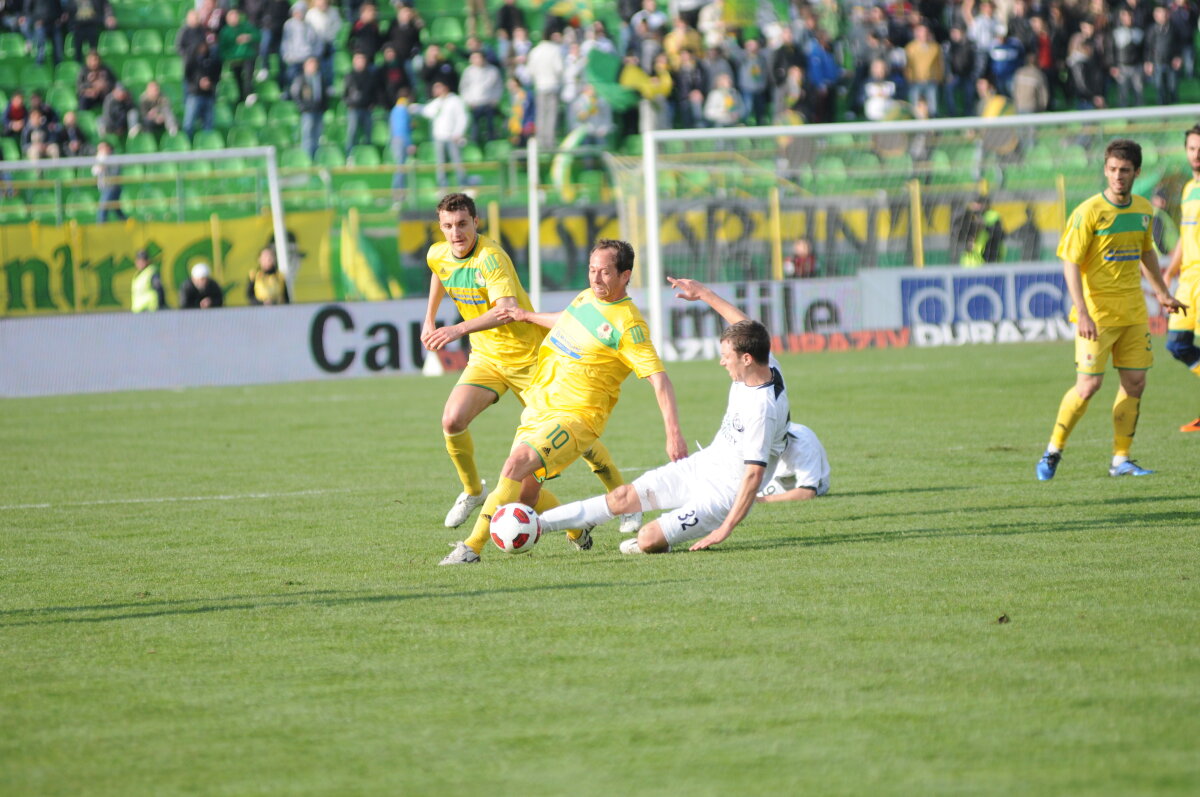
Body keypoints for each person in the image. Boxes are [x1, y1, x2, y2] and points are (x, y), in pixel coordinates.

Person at [436, 240, 687, 565]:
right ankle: (576, 531)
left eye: (606, 272)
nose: (596, 279)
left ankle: (471, 548)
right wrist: (526, 315)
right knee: (526, 494)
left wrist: (674, 433)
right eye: (592, 270)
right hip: (539, 408)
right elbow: (567, 320)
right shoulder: (586, 296)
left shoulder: (629, 325)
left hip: (575, 417)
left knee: (513, 466)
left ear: (625, 275)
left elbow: (659, 378)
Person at [422, 194, 644, 538]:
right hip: (486, 358)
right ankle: (472, 491)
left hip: (529, 359)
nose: (456, 233)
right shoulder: (438, 252)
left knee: (574, 440)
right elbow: (440, 270)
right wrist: (430, 320)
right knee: (452, 420)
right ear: (441, 227)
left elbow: (504, 309)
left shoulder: (490, 259)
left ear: (476, 223)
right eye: (448, 226)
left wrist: (456, 329)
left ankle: (624, 499)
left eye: (463, 224)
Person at [537, 276, 788, 555]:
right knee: (622, 497)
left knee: (647, 539)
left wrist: (724, 529)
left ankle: (655, 538)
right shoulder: (764, 362)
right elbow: (748, 327)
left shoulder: (762, 409)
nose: (721, 360)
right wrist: (703, 293)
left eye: (726, 356)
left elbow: (753, 476)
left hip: (723, 496)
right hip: (703, 465)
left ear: (747, 359)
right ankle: (536, 525)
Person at [1036, 139, 1187, 481]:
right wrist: (1083, 311)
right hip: (1097, 315)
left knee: (1135, 382)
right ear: (1105, 170)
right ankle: (1054, 449)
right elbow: (1070, 263)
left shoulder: (1144, 210)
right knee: (1088, 386)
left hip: (1133, 312)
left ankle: (1121, 459)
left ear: (1137, 172)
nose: (1118, 177)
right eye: (1113, 170)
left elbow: (1146, 251)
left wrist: (1162, 293)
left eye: (1125, 171)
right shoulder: (1088, 211)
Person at [1164, 124, 1200, 431]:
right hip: (1188, 279)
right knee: (1177, 345)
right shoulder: (1189, 189)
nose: (1197, 154)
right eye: (1192, 148)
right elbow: (1185, 235)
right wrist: (1170, 270)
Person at [756, 423, 830, 503]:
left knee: (749, 496)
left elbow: (808, 492)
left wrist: (762, 500)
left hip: (804, 482)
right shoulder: (755, 436)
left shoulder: (804, 447)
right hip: (777, 472)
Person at [419, 80, 468, 188]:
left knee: (457, 161)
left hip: (452, 137)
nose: (435, 90)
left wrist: (458, 132)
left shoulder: (455, 100)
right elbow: (427, 111)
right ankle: (443, 186)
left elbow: (462, 117)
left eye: (438, 87)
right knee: (441, 163)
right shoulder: (437, 102)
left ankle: (463, 183)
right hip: (439, 137)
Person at [218, 8, 261, 105]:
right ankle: (242, 97)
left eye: (236, 16)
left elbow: (258, 35)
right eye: (232, 16)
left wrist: (249, 37)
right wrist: (229, 58)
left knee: (248, 74)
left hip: (248, 56)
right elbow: (223, 48)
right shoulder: (225, 32)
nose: (235, 18)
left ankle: (249, 93)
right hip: (234, 59)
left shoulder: (246, 27)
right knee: (238, 79)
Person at [342, 50, 376, 156]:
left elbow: (374, 92)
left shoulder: (370, 76)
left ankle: (367, 155)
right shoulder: (349, 76)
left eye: (362, 59)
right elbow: (344, 94)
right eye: (358, 59)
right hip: (354, 109)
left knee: (368, 133)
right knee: (352, 133)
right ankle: (350, 156)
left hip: (367, 109)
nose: (360, 62)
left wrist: (372, 103)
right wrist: (350, 103)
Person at [92, 140, 124, 222]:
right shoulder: (100, 159)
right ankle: (128, 222)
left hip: (112, 188)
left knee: (102, 211)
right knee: (117, 211)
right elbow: (95, 172)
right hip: (103, 188)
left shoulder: (114, 159)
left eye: (102, 148)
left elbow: (115, 174)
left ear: (108, 148)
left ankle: (101, 229)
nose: (100, 150)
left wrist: (104, 166)